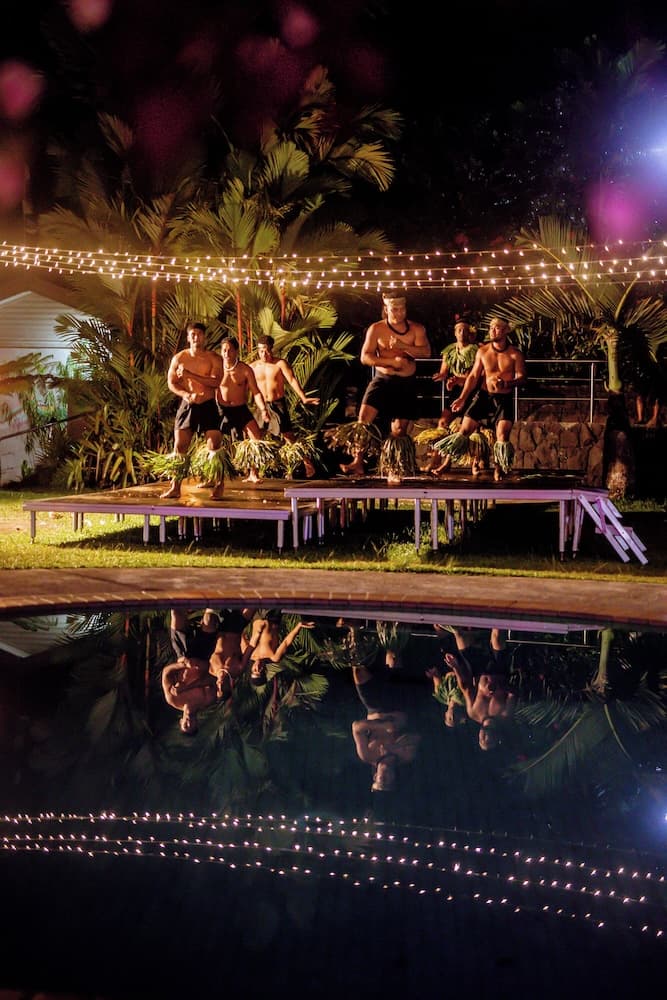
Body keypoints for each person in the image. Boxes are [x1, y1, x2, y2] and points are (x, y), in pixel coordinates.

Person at [338, 291, 431, 477]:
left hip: (405, 383)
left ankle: (396, 464)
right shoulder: (376, 329)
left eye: (402, 309)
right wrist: (390, 362)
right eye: (394, 309)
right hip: (383, 380)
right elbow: (365, 357)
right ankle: (357, 462)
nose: (399, 313)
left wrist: (403, 347)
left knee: (399, 430)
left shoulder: (416, 329)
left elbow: (426, 352)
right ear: (386, 309)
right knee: (363, 420)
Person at [442, 317, 527, 481]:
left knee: (502, 436)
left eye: (497, 327)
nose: (492, 330)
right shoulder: (483, 351)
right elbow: (473, 376)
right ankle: (447, 462)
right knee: (464, 430)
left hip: (504, 399)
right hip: (483, 396)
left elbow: (522, 378)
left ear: (506, 330)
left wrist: (507, 383)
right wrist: (462, 398)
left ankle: (499, 467)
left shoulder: (515, 354)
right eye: (491, 327)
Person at [348, 624, 420, 792]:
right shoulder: (406, 757)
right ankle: (392, 626)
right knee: (393, 655)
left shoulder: (367, 755)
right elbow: (416, 737)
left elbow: (356, 727)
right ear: (395, 777)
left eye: (381, 780)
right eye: (388, 781)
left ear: (375, 776)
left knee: (358, 671)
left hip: (374, 707)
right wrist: (394, 746)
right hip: (398, 703)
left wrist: (382, 726)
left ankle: (354, 630)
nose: (385, 777)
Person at [160, 322, 224, 499]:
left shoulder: (214, 358)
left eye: (199, 334)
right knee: (180, 446)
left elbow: (216, 382)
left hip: (208, 404)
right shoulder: (179, 358)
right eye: (193, 334)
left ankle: (219, 484)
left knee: (214, 445)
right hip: (188, 404)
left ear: (205, 337)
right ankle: (175, 487)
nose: (196, 337)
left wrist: (190, 375)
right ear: (188, 338)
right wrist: (185, 394)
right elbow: (171, 382)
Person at [250, 334, 320, 478]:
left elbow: (292, 380)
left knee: (289, 436)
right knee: (256, 438)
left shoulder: (280, 364)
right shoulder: (253, 367)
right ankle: (253, 473)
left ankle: (307, 463)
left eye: (266, 350)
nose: (263, 354)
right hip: (261, 405)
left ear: (271, 349)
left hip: (277, 404)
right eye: (261, 350)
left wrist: (303, 397)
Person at [438, 625, 516, 750]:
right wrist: (499, 687)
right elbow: (513, 693)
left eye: (481, 740)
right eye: (488, 741)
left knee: (460, 635)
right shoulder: (504, 716)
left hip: (478, 671)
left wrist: (456, 667)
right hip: (499, 670)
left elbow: (466, 688)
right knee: (496, 637)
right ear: (497, 738)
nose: (485, 738)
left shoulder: (473, 713)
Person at [422, 320, 478, 474]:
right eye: (459, 330)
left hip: (472, 391)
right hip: (455, 392)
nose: (462, 333)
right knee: (443, 423)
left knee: (464, 428)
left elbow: (475, 376)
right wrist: (442, 377)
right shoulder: (449, 350)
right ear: (455, 333)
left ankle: (454, 463)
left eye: (465, 330)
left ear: (469, 333)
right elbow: (444, 371)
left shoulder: (475, 351)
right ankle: (435, 460)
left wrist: (459, 379)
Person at [216, 336, 270, 489]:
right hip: (221, 410)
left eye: (230, 350)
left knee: (256, 437)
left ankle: (253, 473)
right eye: (224, 350)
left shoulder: (245, 369)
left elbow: (256, 392)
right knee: (213, 441)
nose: (226, 354)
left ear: (236, 351)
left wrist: (263, 409)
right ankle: (212, 476)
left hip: (240, 409)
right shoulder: (217, 368)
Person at [161, 607, 224, 733]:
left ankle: (187, 610)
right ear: (197, 723)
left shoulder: (173, 699)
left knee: (176, 612)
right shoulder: (208, 700)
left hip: (183, 655)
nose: (189, 722)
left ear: (181, 722)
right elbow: (214, 677)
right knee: (209, 618)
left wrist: (183, 664)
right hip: (203, 655)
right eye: (192, 725)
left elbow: (166, 673)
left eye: (186, 725)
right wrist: (190, 685)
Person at [245, 611, 316, 686]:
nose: (257, 667)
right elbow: (286, 642)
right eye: (260, 671)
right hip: (273, 617)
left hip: (257, 617)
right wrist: (299, 626)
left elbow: (241, 635)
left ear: (251, 669)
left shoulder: (249, 654)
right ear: (264, 671)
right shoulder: (273, 657)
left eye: (254, 670)